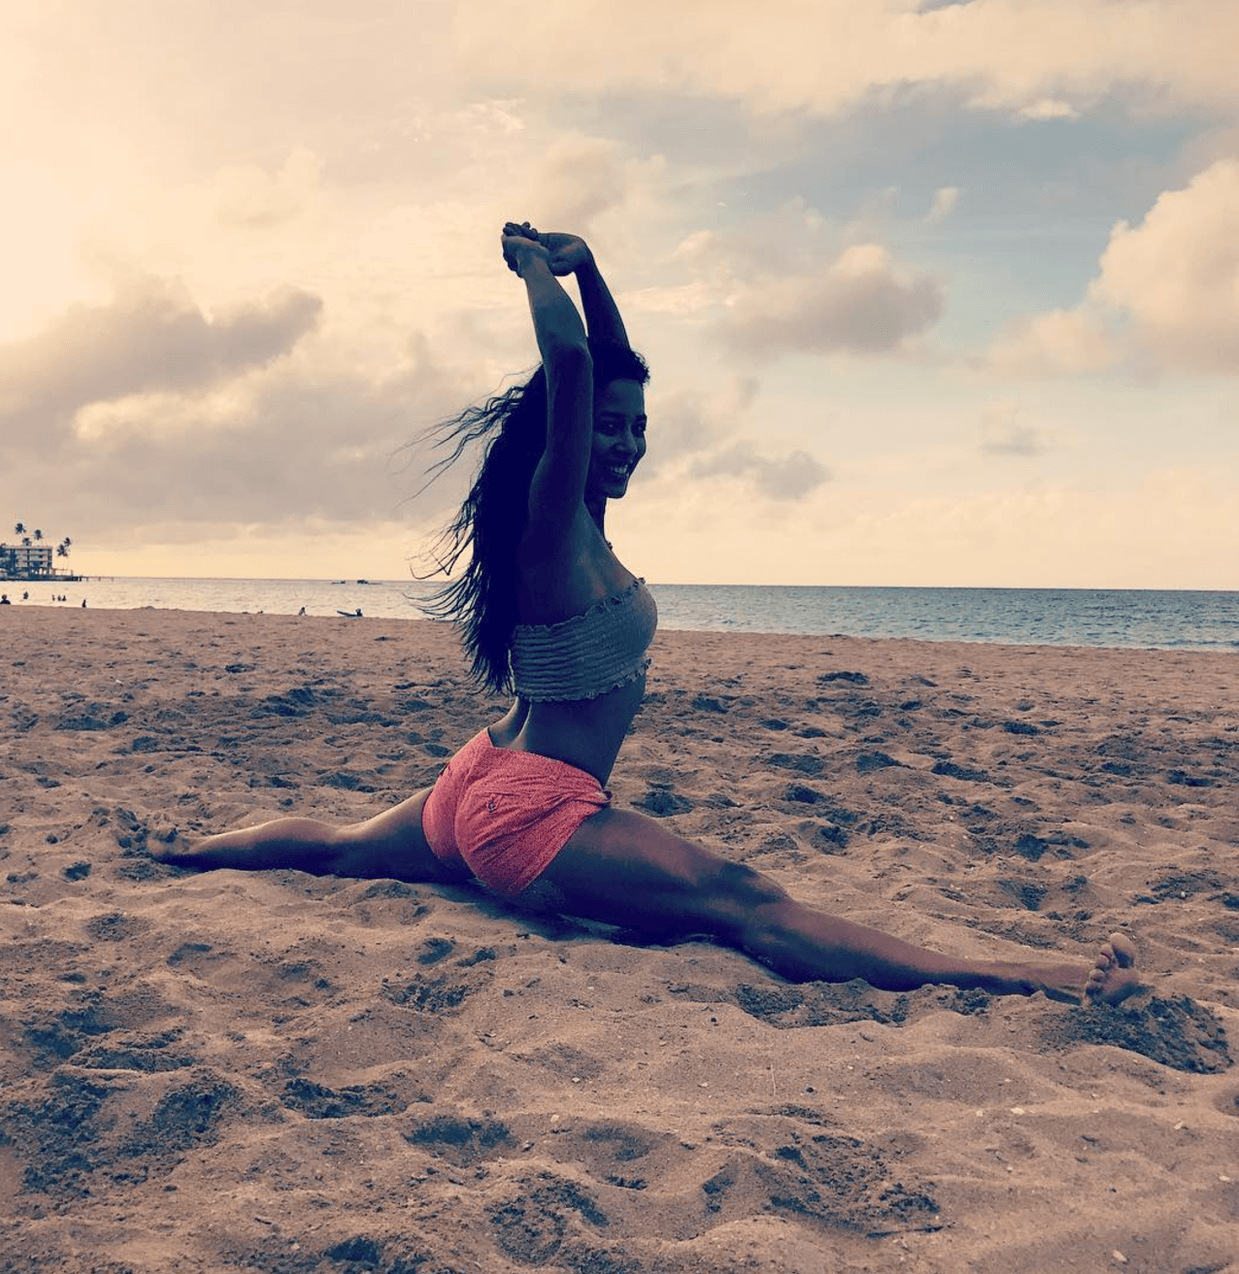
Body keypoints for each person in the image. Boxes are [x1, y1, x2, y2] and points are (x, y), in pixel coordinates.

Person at [159, 222, 1139, 1007]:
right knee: (746, 903)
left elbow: (603, 359)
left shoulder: (580, 524)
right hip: (527, 812)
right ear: (565, 434)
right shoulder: (549, 522)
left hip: (477, 779)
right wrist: (534, 267)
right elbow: (573, 362)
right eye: (606, 428)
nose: (626, 444)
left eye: (638, 427)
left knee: (339, 847)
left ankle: (185, 850)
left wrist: (592, 270)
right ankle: (1037, 977)